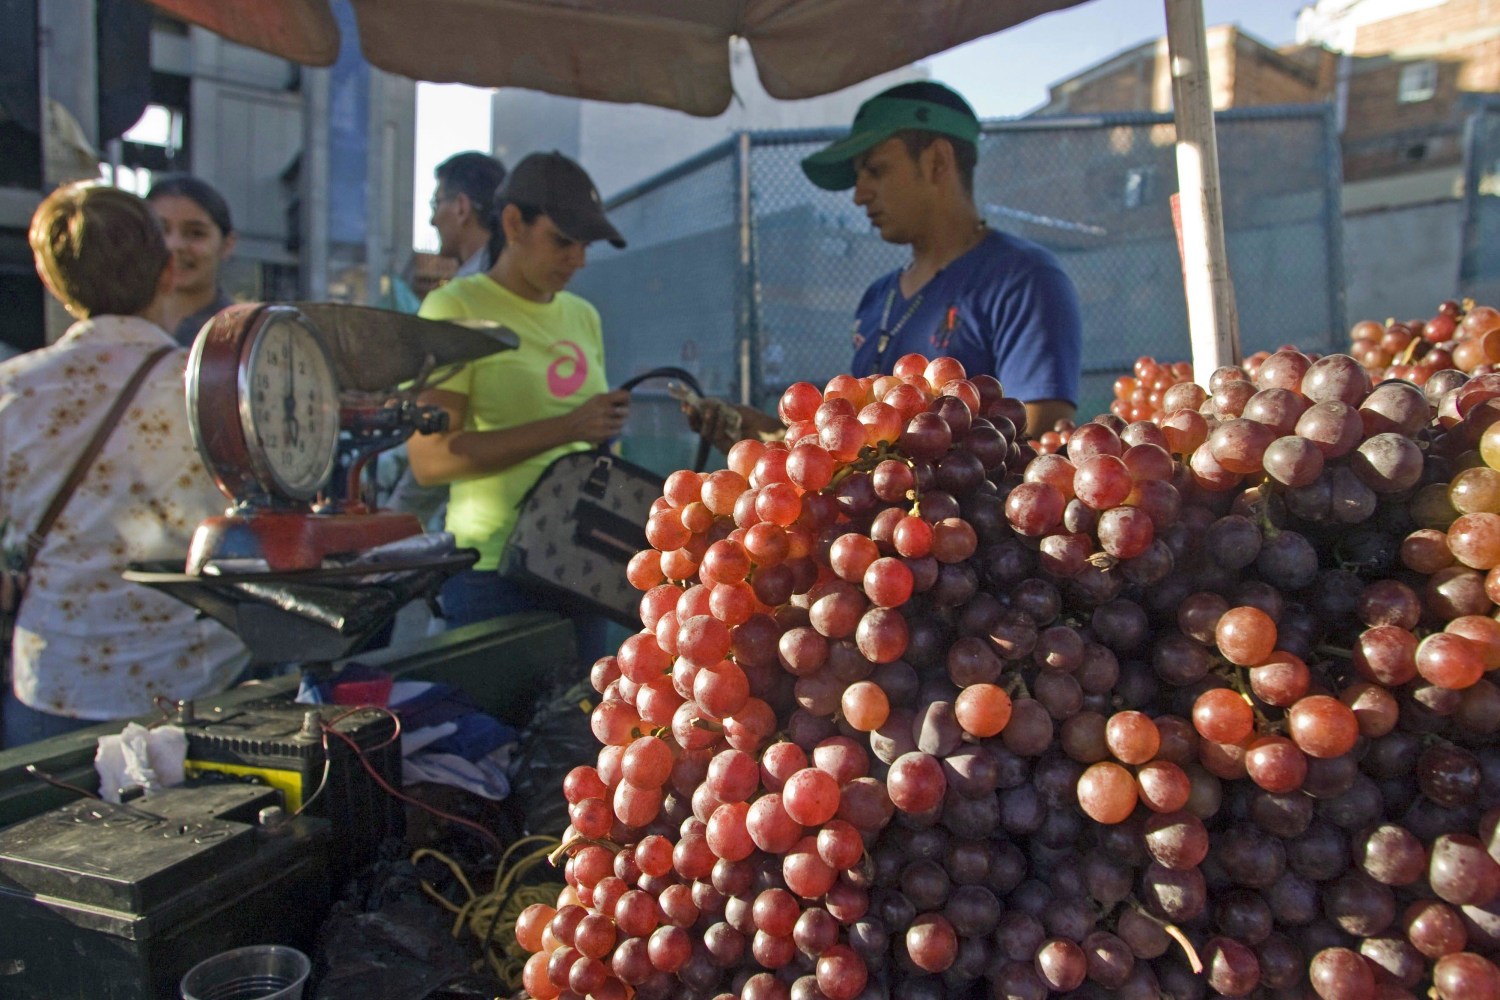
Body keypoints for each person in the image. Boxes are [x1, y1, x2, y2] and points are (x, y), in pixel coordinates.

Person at [696, 81, 1083, 448]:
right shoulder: (877, 297)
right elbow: (872, 446)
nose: (859, 195)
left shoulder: (1022, 279)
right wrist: (778, 439)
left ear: (937, 161)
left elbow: (1037, 438)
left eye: (876, 170)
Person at [2, 182, 249, 748]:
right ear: (166, 272)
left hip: (56, 678)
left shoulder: (12, 391)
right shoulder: (215, 389)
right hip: (195, 675)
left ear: (49, 276)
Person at [405, 152, 630, 662]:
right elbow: (430, 460)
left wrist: (599, 428)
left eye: (585, 245)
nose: (578, 259)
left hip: (580, 562)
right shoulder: (455, 308)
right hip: (493, 571)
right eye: (563, 241)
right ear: (513, 223)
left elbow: (582, 436)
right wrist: (566, 426)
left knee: (582, 732)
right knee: (495, 737)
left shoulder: (583, 316)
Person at [146, 174, 238, 347]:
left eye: (195, 233)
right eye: (160, 230)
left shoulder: (242, 335)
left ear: (227, 245)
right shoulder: (114, 328)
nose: (174, 245)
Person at [431, 151, 507, 278]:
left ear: (461, 207)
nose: (433, 221)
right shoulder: (518, 277)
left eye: (436, 204)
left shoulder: (463, 292)